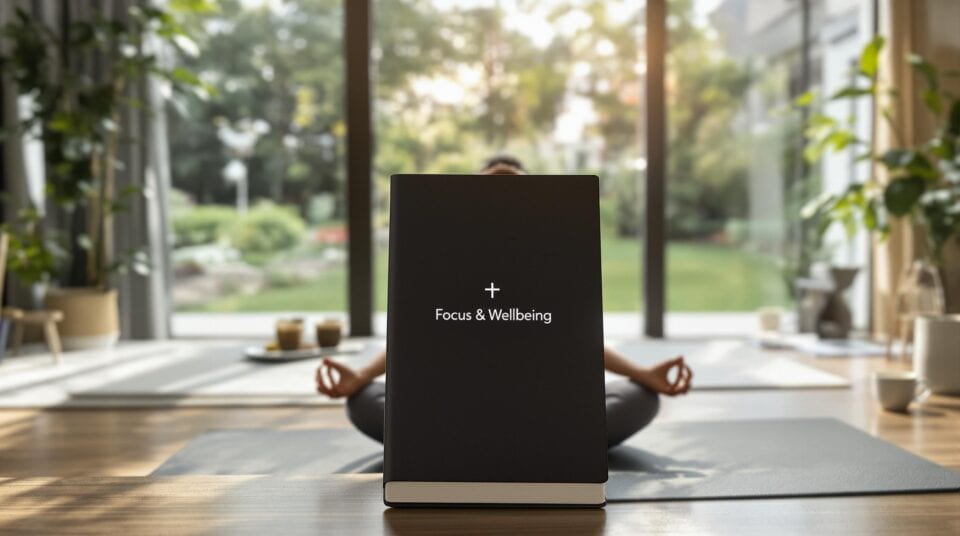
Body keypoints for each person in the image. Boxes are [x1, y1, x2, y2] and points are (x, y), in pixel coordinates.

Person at [316, 156, 693, 447]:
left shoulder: (549, 260)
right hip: (456, 407)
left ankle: (472, 444)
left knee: (642, 398)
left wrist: (643, 375)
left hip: (537, 409)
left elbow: (580, 339)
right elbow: (413, 333)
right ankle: (526, 444)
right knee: (363, 401)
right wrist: (361, 377)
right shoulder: (448, 260)